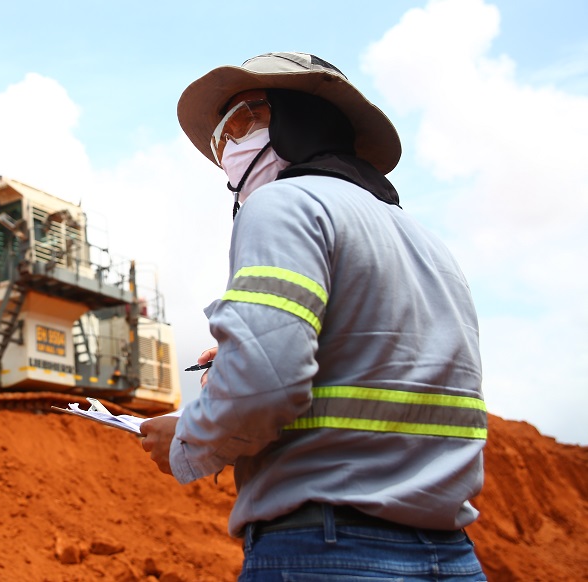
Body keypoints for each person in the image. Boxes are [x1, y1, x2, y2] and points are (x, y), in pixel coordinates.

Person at [139, 52, 487, 581]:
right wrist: (249, 354)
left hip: (327, 550)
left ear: (298, 118)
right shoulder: (432, 247)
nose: (229, 149)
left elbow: (266, 384)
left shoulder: (282, 205)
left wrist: (189, 440)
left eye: (239, 123)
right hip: (451, 556)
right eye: (220, 142)